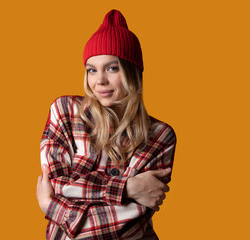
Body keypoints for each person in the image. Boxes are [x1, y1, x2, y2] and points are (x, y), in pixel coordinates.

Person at [36, 9, 176, 240]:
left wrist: (51, 208)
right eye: (92, 70)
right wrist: (127, 189)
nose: (99, 80)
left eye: (112, 68)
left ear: (133, 73)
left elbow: (129, 223)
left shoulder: (160, 136)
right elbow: (57, 183)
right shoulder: (65, 112)